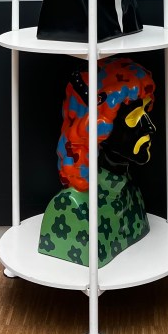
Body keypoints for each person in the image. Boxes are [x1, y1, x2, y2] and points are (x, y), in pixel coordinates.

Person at [37, 56, 156, 268]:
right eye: (134, 117)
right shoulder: (71, 207)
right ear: (97, 130)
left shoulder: (131, 192)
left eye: (145, 112)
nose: (150, 127)